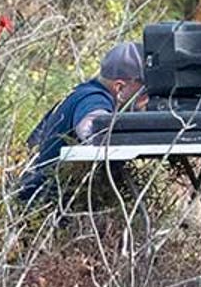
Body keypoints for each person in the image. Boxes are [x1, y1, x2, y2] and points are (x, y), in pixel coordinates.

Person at [13, 41, 145, 205]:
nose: (146, 101)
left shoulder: (82, 92)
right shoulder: (93, 97)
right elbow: (90, 126)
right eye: (144, 93)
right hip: (42, 208)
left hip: (43, 202)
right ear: (120, 88)